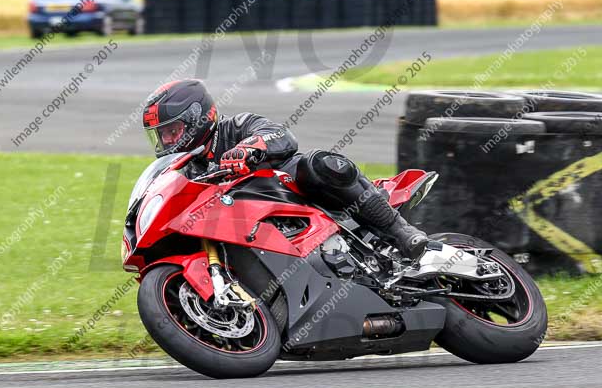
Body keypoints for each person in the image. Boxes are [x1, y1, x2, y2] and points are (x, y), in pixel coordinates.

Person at [141, 79, 429, 260]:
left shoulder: (237, 125)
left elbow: (281, 136)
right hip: (252, 226)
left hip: (298, 196)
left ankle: (400, 230)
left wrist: (249, 149)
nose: (167, 141)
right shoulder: (189, 167)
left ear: (198, 117)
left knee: (317, 163)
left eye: (172, 131)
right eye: (161, 135)